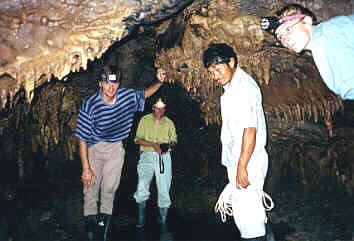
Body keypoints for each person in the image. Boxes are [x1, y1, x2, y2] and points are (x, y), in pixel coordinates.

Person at [75, 65, 165, 241]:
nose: (111, 87)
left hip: (116, 147)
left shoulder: (126, 96)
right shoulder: (90, 103)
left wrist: (159, 81)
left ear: (119, 84)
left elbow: (145, 93)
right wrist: (86, 168)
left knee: (109, 189)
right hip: (94, 147)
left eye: (114, 83)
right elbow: (82, 138)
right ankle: (91, 233)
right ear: (100, 83)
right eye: (107, 83)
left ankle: (104, 233)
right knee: (91, 188)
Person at [203, 43, 274, 241]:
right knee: (253, 214)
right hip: (241, 160)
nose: (215, 75)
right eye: (211, 72)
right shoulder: (232, 88)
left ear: (231, 62)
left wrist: (242, 166)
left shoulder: (243, 89)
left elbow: (249, 129)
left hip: (248, 161)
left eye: (218, 69)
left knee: (248, 221)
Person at [260, 4, 354, 100]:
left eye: (288, 29)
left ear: (306, 21)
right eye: (280, 37)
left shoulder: (327, 36)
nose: (285, 40)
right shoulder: (322, 39)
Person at [133, 97, 177, 229]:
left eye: (162, 108)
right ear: (153, 108)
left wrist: (168, 145)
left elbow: (174, 139)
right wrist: (153, 145)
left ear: (164, 109)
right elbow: (137, 139)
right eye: (157, 108)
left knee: (164, 187)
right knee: (142, 185)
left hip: (164, 157)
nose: (160, 110)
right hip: (146, 155)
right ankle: (141, 219)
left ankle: (163, 221)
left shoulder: (169, 123)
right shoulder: (145, 120)